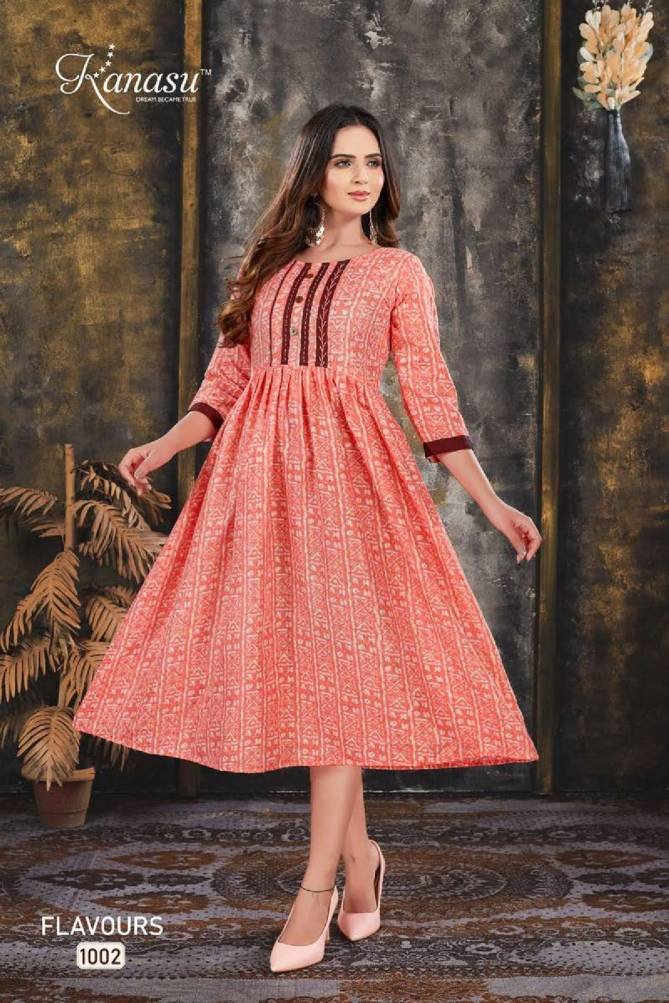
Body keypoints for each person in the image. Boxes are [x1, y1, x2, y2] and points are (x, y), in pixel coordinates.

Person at [72, 103, 542, 973]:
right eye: (343, 162)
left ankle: (317, 885)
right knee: (314, 680)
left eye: (373, 162)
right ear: (312, 174)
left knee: (336, 678)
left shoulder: (397, 271)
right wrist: (165, 445)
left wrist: (492, 503)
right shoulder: (269, 270)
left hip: (353, 488)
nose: (362, 177)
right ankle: (364, 863)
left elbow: (430, 398)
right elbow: (226, 382)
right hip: (257, 488)